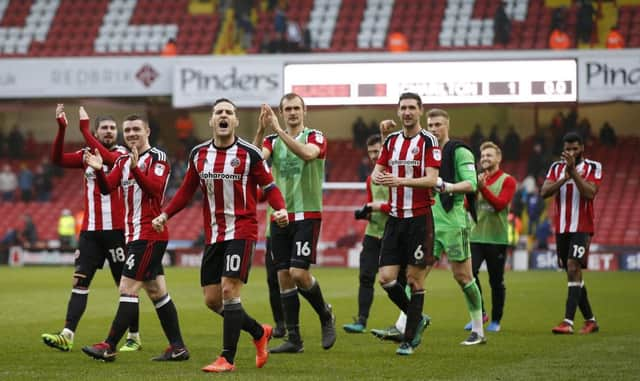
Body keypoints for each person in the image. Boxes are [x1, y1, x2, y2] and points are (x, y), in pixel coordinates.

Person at [152, 98, 289, 372]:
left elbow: (270, 186)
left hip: (242, 229)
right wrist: (165, 214)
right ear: (212, 121)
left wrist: (281, 209)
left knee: (229, 290)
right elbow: (186, 191)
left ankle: (227, 358)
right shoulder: (199, 154)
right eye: (218, 112)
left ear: (235, 121)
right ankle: (258, 332)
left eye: (228, 112)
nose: (223, 116)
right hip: (214, 235)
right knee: (213, 300)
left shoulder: (250, 154)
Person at [371, 107, 487, 347]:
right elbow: (395, 164)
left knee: (463, 276)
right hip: (426, 221)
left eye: (438, 125)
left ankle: (478, 328)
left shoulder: (459, 151)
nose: (434, 129)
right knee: (415, 277)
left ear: (448, 125)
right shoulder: (421, 148)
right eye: (431, 125)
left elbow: (472, 184)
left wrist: (446, 186)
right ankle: (405, 326)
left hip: (453, 222)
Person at [81, 114, 188, 362]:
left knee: (127, 288)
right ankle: (178, 347)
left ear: (147, 131)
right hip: (133, 235)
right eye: (127, 130)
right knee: (157, 291)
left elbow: (154, 189)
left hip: (150, 233)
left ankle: (108, 345)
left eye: (136, 129)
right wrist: (98, 170)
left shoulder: (157, 158)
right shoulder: (122, 161)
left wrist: (137, 167)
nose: (131, 134)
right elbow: (107, 188)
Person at [42, 105, 142, 353]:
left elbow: (107, 161)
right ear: (97, 132)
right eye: (104, 129)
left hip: (118, 231)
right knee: (80, 282)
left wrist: (84, 131)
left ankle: (134, 336)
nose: (109, 132)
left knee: (125, 285)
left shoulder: (122, 154)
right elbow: (56, 159)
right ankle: (67, 334)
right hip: (90, 233)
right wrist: (62, 129)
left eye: (111, 128)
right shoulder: (86, 154)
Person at [254, 93, 336, 354]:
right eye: (287, 109)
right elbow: (254, 161)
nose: (291, 112)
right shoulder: (271, 140)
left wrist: (278, 129)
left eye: (295, 108)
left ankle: (325, 314)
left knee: (299, 273)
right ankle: (294, 339)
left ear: (304, 111)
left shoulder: (315, 136)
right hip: (279, 216)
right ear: (281, 111)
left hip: (307, 213)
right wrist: (260, 130)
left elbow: (308, 155)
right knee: (283, 278)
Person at [370, 93, 441, 355]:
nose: (407, 112)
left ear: (420, 111)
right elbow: (376, 172)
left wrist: (399, 180)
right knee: (386, 278)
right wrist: (379, 177)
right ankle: (417, 318)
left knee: (414, 280)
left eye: (412, 107)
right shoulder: (390, 141)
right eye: (403, 108)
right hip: (395, 219)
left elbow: (432, 179)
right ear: (398, 112)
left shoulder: (429, 141)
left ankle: (409, 339)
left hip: (419, 219)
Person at [541, 132, 601, 335]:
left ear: (582, 148)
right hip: (562, 228)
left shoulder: (594, 167)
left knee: (573, 266)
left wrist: (573, 172)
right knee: (572, 271)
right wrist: (564, 177)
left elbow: (589, 193)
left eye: (575, 148)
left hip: (582, 226)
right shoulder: (556, 167)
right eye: (568, 149)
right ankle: (591, 320)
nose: (572, 152)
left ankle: (568, 321)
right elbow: (544, 192)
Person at [343, 134, 393, 334]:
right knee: (365, 277)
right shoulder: (371, 178)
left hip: (392, 233)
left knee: (397, 280)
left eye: (377, 151)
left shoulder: (394, 175)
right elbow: (374, 205)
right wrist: (364, 212)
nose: (373, 156)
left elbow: (397, 206)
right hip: (372, 233)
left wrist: (373, 206)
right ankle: (361, 321)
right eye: (371, 152)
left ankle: (408, 319)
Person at [467, 141, 517, 333]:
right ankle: (481, 314)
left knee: (496, 281)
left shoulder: (507, 180)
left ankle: (496, 320)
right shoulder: (476, 179)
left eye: (489, 155)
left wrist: (482, 188)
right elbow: (468, 207)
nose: (485, 158)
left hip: (497, 239)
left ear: (498, 158)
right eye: (483, 155)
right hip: (475, 236)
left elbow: (500, 204)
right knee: (469, 275)